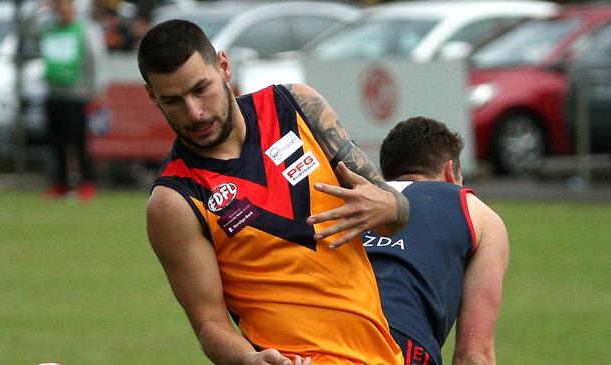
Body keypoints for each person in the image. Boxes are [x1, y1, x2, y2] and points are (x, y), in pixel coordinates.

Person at [139, 19, 410, 365]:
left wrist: (388, 206)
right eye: (173, 101)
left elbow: (396, 212)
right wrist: (249, 360)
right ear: (152, 96)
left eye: (200, 89)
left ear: (223, 66)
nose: (195, 112)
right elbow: (209, 324)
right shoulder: (174, 200)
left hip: (383, 356)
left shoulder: (296, 105)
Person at [364, 116, 510, 365]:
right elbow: (473, 355)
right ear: (450, 172)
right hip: (399, 348)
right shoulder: (473, 209)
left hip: (320, 341)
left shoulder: (353, 202)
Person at [40, 0, 108, 201]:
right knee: (56, 141)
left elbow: (95, 61)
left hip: (77, 95)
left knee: (78, 142)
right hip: (54, 93)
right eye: (60, 8)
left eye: (68, 7)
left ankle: (87, 182)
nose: (64, 12)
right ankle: (61, 182)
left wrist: (97, 91)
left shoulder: (84, 30)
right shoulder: (49, 29)